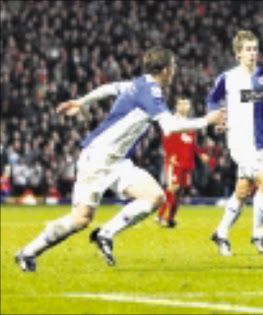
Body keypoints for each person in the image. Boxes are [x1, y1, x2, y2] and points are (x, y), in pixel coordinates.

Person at [15, 47, 225, 271]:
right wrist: (206, 120)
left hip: (118, 162)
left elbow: (110, 88)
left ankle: (105, 234)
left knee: (155, 197)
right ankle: (27, 252)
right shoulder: (151, 90)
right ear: (165, 70)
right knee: (80, 220)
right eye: (172, 67)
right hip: (98, 158)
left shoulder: (138, 83)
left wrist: (82, 101)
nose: (173, 71)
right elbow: (169, 126)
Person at [207, 30, 263, 256]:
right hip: (239, 142)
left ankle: (221, 232)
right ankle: (259, 235)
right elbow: (212, 99)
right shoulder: (228, 78)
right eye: (248, 50)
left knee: (242, 192)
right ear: (238, 54)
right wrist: (219, 118)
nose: (253, 53)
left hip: (259, 142)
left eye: (255, 49)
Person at [156, 97, 209, 228]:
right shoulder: (172, 121)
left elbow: (191, 143)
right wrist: (170, 156)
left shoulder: (190, 124)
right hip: (175, 160)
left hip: (186, 162)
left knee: (179, 191)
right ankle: (161, 215)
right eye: (182, 104)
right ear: (177, 105)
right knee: (173, 188)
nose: (185, 106)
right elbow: (166, 140)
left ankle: (171, 218)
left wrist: (200, 153)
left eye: (187, 104)